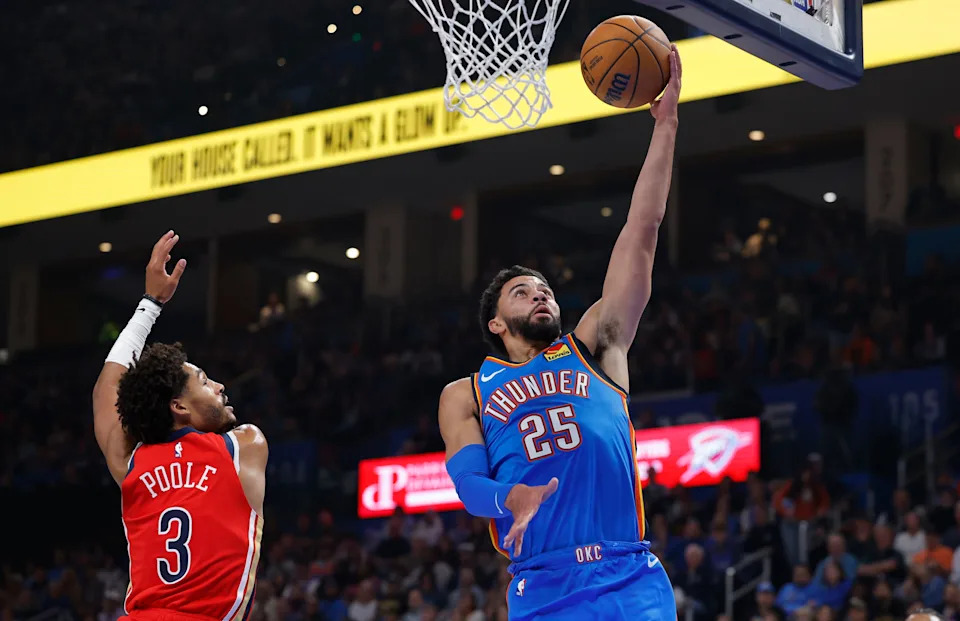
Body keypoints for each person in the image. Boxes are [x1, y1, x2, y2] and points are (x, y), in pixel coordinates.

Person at [436, 47, 683, 620]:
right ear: (496, 323)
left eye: (544, 288)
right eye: (522, 292)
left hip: (629, 574)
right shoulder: (467, 393)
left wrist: (667, 124)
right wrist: (510, 496)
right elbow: (468, 484)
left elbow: (641, 230)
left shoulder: (596, 345)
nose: (540, 295)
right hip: (544, 583)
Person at [92, 231, 268, 620]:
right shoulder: (244, 446)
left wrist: (150, 304)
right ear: (179, 405)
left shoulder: (132, 462)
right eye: (205, 381)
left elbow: (107, 390)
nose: (219, 386)